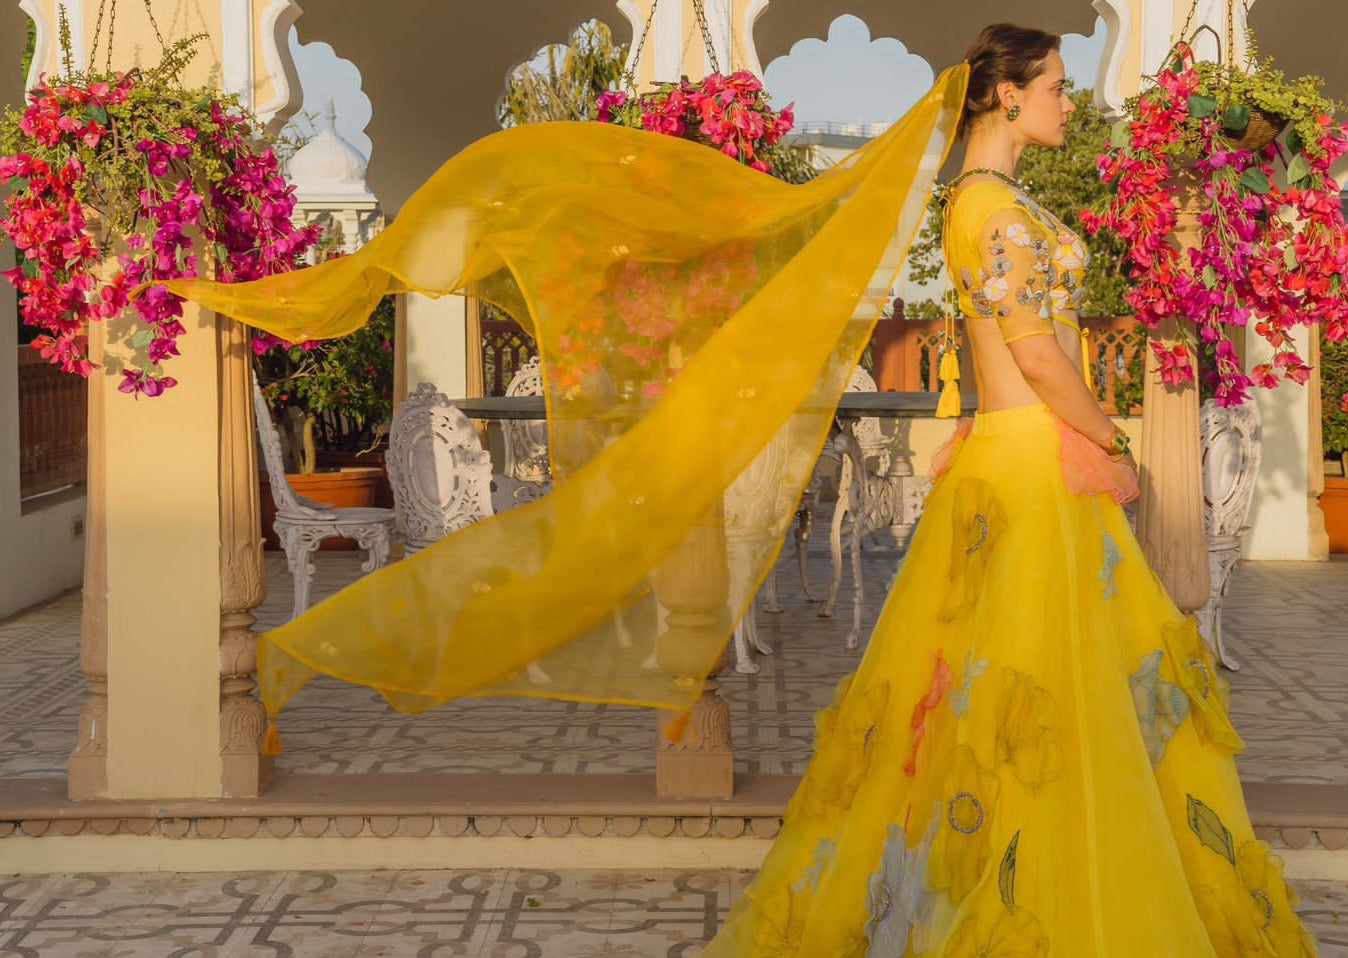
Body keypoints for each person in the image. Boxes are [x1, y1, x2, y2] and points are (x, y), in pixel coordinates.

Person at [699, 23, 1317, 958]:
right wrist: (1115, 440)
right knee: (1040, 690)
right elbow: (1035, 353)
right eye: (1058, 88)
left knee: (1021, 691)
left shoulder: (984, 201)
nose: (1071, 103)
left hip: (1016, 452)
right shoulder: (993, 212)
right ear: (1008, 96)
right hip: (1035, 463)